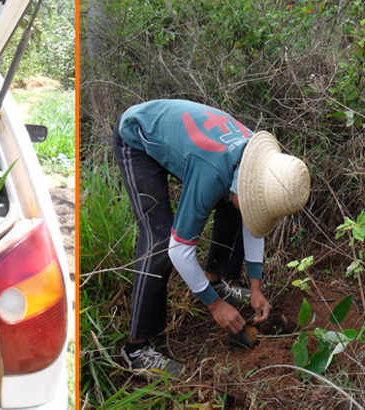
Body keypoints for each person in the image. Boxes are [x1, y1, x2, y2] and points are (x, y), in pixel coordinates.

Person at [112, 99, 311, 377]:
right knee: (158, 241)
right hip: (138, 136)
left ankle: (215, 281)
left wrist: (256, 287)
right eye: (254, 202)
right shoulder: (211, 173)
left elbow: (253, 221)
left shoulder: (255, 161)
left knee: (235, 207)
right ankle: (135, 351)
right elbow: (179, 250)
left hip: (190, 147)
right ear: (247, 185)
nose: (255, 210)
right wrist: (214, 306)